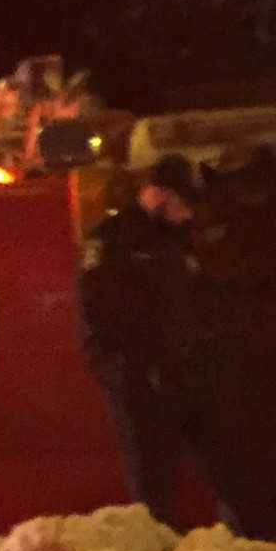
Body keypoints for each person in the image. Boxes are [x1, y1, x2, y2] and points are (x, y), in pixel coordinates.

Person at [180, 148, 276, 541]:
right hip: (273, 362)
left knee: (252, 470)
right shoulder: (275, 231)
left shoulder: (225, 236)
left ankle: (263, 539)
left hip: (244, 369)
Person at [76, 154, 205, 525]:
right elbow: (96, 316)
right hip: (138, 382)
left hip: (177, 378)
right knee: (152, 482)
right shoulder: (113, 240)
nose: (188, 214)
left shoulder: (175, 239)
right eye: (183, 203)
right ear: (160, 195)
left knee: (184, 475)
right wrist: (122, 374)